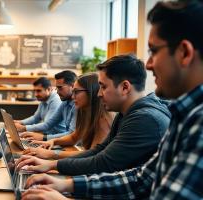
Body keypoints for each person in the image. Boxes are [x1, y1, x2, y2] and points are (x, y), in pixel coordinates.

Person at [22, 1, 203, 199]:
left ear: (185, 53)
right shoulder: (180, 115)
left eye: (153, 51)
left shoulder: (166, 120)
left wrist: (61, 188)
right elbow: (139, 179)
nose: (149, 64)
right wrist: (69, 184)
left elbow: (105, 162)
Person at [16, 54, 170, 176]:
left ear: (125, 87)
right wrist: (51, 160)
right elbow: (99, 152)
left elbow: (103, 163)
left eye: (103, 86)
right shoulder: (127, 114)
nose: (98, 93)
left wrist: (52, 163)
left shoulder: (144, 118)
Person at [23, 73, 113, 160]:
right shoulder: (85, 112)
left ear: (91, 92)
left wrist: (51, 154)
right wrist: (53, 141)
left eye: (76, 92)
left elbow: (92, 155)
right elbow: (74, 137)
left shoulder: (103, 119)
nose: (73, 97)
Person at [16, 70, 77, 141]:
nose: (57, 91)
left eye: (60, 87)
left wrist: (43, 137)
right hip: (57, 139)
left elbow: (71, 134)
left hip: (60, 139)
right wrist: (21, 124)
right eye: (56, 88)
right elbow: (46, 123)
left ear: (73, 86)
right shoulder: (64, 102)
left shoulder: (74, 104)